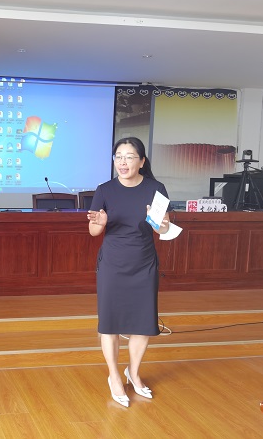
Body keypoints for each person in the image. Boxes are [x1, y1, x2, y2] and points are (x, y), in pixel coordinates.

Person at [86, 137, 170, 408]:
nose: (123, 162)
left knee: (142, 322)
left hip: (144, 263)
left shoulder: (156, 189)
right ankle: (114, 375)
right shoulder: (104, 190)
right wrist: (100, 223)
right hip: (112, 264)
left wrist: (160, 222)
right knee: (109, 323)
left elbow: (163, 229)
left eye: (129, 157)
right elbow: (93, 231)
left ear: (142, 161)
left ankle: (133, 372)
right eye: (119, 156)